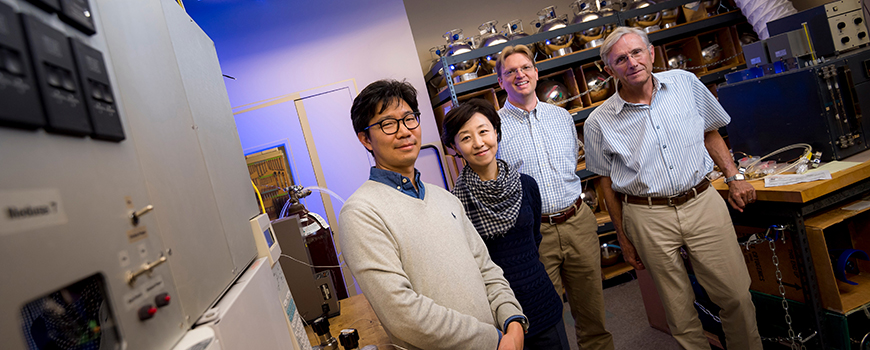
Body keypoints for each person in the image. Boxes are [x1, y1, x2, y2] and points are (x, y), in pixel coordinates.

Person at [583, 27, 762, 349]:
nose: (632, 62)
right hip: (646, 215)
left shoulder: (686, 83)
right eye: (621, 59)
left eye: (637, 52)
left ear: (651, 54)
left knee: (735, 295)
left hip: (701, 201)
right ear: (609, 70)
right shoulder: (599, 121)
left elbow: (711, 133)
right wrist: (623, 237)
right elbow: (604, 181)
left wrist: (734, 177)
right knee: (679, 311)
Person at [339, 79, 528, 350]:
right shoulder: (361, 212)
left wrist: (512, 321)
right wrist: (495, 340)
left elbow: (487, 269)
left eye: (409, 119)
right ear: (366, 139)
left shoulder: (445, 198)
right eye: (387, 124)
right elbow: (402, 314)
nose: (404, 132)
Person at [495, 44, 615, 350]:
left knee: (592, 312)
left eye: (525, 68)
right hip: (535, 234)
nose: (519, 75)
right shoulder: (492, 128)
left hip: (577, 221)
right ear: (500, 81)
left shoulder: (561, 117)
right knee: (545, 320)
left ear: (536, 73)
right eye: (510, 71)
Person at [441, 99, 571, 350]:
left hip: (540, 298)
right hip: (495, 314)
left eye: (483, 131)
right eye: (466, 138)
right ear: (454, 147)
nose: (478, 143)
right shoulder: (454, 203)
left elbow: (534, 241)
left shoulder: (527, 185)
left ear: (496, 133)